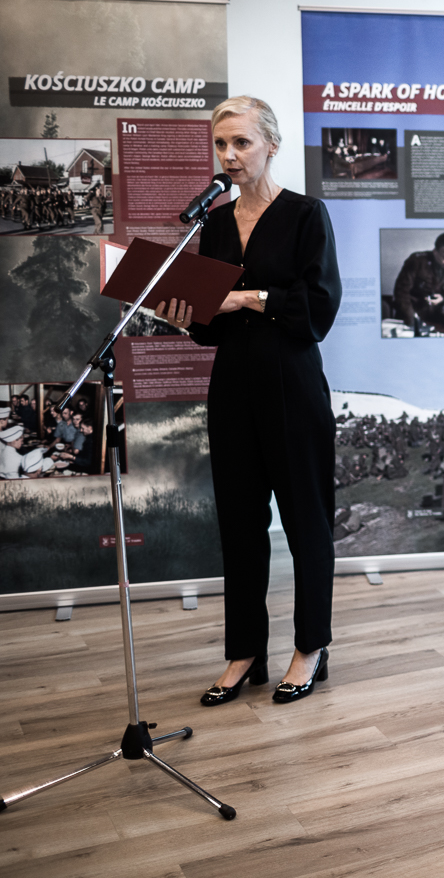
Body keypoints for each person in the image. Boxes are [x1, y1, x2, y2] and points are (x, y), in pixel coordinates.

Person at [155, 95, 341, 707]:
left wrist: (245, 297)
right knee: (239, 525)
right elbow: (210, 329)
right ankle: (244, 652)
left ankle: (311, 647)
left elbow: (318, 310)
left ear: (272, 145)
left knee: (307, 522)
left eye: (241, 142)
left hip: (292, 385)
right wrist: (186, 315)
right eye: (221, 144)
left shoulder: (306, 214)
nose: (229, 155)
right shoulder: (212, 225)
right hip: (232, 386)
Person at [392, 233, 444, 330]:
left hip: (433, 317)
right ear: (435, 251)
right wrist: (412, 320)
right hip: (409, 315)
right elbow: (401, 292)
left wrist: (442, 298)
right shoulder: (416, 261)